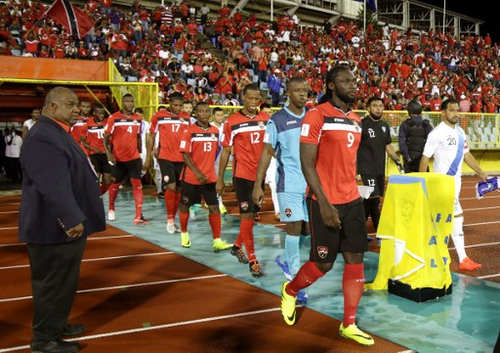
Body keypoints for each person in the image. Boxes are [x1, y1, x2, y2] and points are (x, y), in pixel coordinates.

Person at [280, 65, 374, 346]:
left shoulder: (356, 120)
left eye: (353, 80)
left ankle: (349, 324)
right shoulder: (316, 114)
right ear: (331, 85)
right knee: (323, 263)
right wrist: (323, 203)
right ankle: (291, 289)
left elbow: (346, 160)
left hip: (352, 200)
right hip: (324, 200)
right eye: (346, 81)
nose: (353, 85)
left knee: (355, 259)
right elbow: (306, 162)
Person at [19, 87, 105, 353]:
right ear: (52, 107)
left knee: (63, 282)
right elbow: (52, 184)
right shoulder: (44, 136)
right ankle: (44, 340)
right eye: (70, 104)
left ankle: (57, 324)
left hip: (58, 226)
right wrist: (70, 218)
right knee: (53, 285)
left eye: (77, 104)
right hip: (54, 227)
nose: (77, 109)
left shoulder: (55, 132)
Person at [252, 77, 310, 303]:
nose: (303, 95)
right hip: (289, 185)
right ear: (288, 93)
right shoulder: (277, 120)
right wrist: (258, 185)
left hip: (311, 185)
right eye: (297, 91)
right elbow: (266, 152)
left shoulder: (312, 117)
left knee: (306, 232)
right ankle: (295, 279)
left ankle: (288, 259)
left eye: (305, 91)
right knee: (294, 228)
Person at [419, 99, 486, 271]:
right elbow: (425, 158)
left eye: (458, 110)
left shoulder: (461, 132)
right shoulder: (436, 133)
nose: (456, 113)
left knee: (440, 220)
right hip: (442, 184)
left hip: (456, 184)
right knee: (456, 217)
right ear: (443, 112)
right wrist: (422, 181)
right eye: (452, 110)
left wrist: (480, 172)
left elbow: (467, 155)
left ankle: (434, 255)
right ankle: (462, 258)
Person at [217, 83, 269, 277]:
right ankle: (253, 260)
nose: (254, 102)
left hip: (259, 176)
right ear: (243, 98)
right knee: (247, 215)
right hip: (242, 176)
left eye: (257, 99)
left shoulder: (265, 118)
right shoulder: (232, 121)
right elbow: (226, 152)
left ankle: (237, 246)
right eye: (250, 98)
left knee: (252, 216)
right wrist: (220, 179)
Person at [177, 102, 233, 250]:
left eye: (207, 111)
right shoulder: (188, 131)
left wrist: (215, 175)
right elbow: (185, 155)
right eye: (201, 111)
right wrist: (197, 173)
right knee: (185, 205)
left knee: (214, 207)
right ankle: (184, 234)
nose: (204, 114)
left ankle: (217, 240)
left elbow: (217, 153)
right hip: (191, 177)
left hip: (209, 178)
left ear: (210, 114)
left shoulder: (215, 131)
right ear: (196, 113)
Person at [145, 92, 189, 233]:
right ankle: (170, 220)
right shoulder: (159, 116)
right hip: (165, 157)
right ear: (169, 103)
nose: (178, 108)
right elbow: (151, 135)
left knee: (180, 190)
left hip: (182, 158)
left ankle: (173, 219)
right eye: (175, 105)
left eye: (180, 105)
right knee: (171, 186)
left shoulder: (186, 118)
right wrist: (149, 155)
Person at [357, 97, 402, 233]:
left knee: (370, 202)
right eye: (375, 106)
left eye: (380, 106)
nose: (378, 108)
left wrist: (397, 160)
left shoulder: (384, 125)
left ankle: (358, 231)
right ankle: (380, 232)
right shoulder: (361, 124)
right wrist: (355, 170)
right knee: (373, 199)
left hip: (379, 170)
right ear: (368, 108)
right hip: (366, 170)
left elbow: (387, 145)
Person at [104, 93, 148, 224]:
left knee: (137, 185)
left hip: (134, 158)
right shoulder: (114, 118)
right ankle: (111, 208)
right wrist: (109, 154)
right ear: (122, 103)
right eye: (127, 102)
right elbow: (106, 138)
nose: (130, 104)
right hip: (119, 158)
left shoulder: (138, 119)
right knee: (115, 185)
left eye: (132, 102)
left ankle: (138, 215)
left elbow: (139, 137)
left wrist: (140, 154)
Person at [81, 104, 112, 194]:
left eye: (103, 113)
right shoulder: (87, 124)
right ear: (94, 113)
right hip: (94, 155)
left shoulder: (107, 123)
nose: (101, 115)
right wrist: (93, 148)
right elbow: (82, 142)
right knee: (96, 178)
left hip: (105, 154)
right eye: (99, 113)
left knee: (107, 180)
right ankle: (95, 197)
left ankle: (99, 194)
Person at [398, 99, 433, 173]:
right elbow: (431, 143)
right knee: (424, 182)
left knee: (409, 183)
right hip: (423, 160)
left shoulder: (405, 125)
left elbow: (402, 143)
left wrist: (407, 157)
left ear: (409, 112)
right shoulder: (426, 125)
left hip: (409, 160)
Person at [212, 107, 228, 215]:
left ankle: (219, 202)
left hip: (221, 157)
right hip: (209, 156)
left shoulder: (226, 127)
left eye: (222, 115)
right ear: (213, 116)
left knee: (218, 179)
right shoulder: (210, 127)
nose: (220, 117)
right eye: (218, 115)